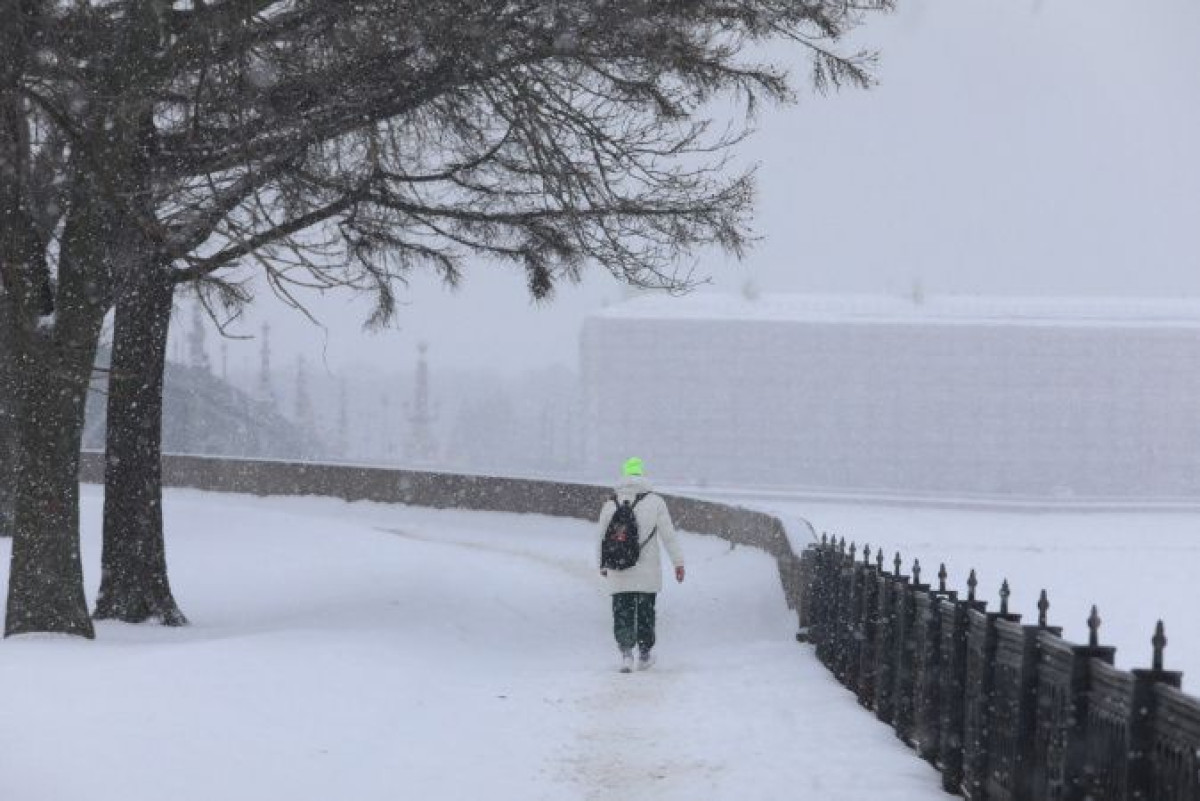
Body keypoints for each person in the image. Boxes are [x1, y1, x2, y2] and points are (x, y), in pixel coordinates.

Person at [596, 456, 685, 672]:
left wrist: (603, 564)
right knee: (646, 611)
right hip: (647, 570)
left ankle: (626, 653)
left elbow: (601, 537)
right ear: (642, 474)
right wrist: (678, 563)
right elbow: (668, 536)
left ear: (624, 475)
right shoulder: (656, 502)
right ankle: (644, 654)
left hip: (619, 566)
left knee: (622, 610)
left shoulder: (611, 502)